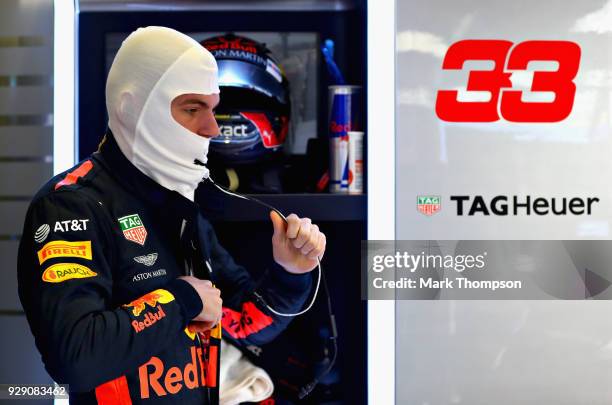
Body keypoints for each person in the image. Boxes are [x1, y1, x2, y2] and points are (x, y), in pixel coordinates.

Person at [17, 26, 326, 404]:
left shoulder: (178, 204)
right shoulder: (71, 205)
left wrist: (290, 272)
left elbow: (243, 324)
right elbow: (76, 357)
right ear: (132, 109)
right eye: (193, 108)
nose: (212, 128)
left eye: (213, 109)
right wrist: (181, 300)